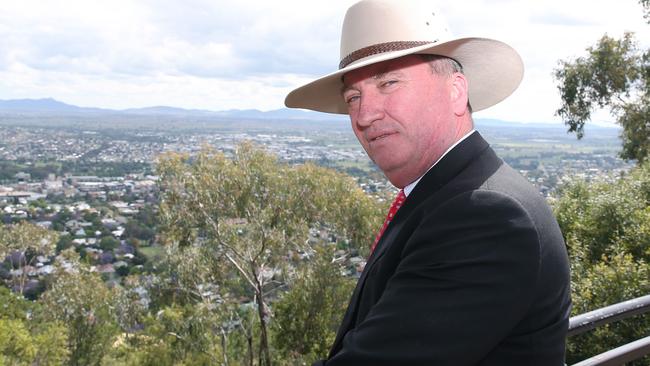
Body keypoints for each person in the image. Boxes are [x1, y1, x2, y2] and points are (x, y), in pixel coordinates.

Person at [285, 0, 572, 365]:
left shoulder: (485, 217)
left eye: (388, 82)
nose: (364, 114)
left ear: (455, 91)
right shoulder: (450, 195)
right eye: (353, 96)